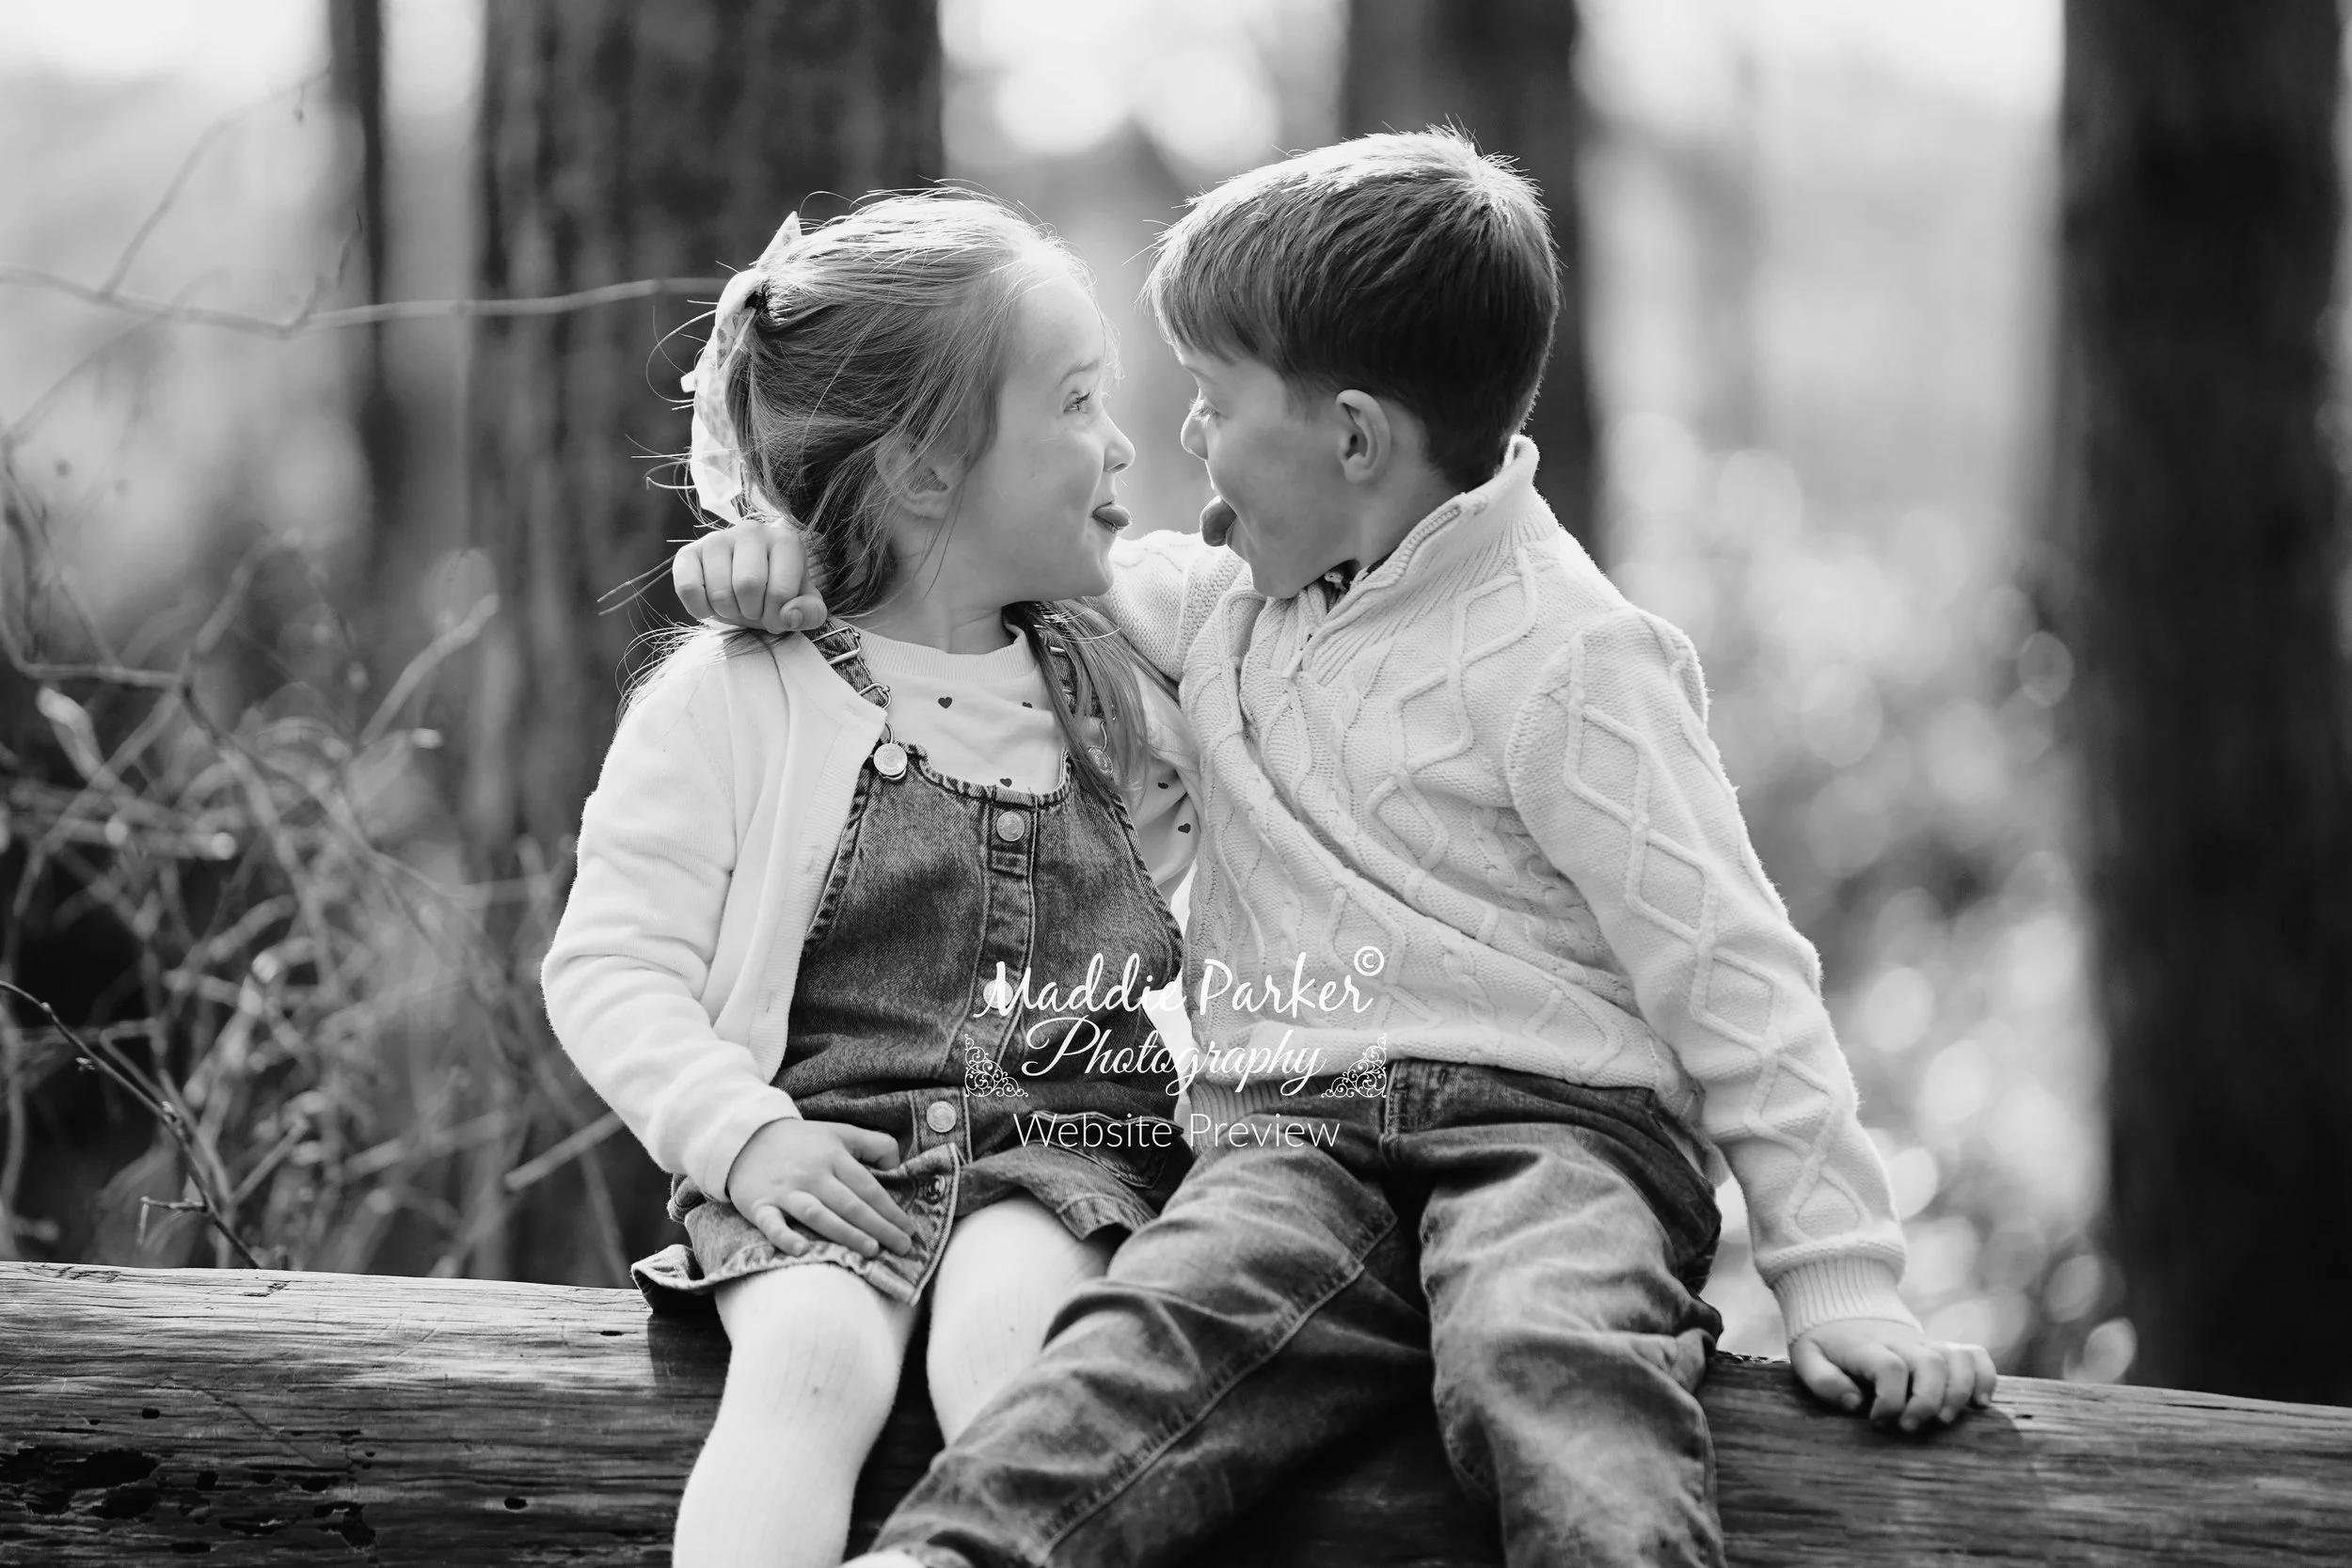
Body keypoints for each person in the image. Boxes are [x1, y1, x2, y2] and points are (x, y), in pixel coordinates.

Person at [676, 132, 1995, 1568]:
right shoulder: (1229, 610)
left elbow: (1734, 972)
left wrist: (1841, 1278)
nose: (1187, 438)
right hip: (1292, 1139)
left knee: (1544, 1351)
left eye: (1214, 399)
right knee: (1150, 1341)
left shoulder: (1572, 659)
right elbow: (979, 558)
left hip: (1553, 1132)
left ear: (1354, 440)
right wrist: (792, 555)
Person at [543, 193, 1206, 1568]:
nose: (1122, 443)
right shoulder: (738, 696)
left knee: (1015, 1344)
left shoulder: (1130, 655)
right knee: (811, 1359)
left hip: (1069, 1149)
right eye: (1077, 403)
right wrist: (740, 1137)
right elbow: (610, 962)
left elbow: (1306, 581)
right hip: (824, 1154)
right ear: (919, 472)